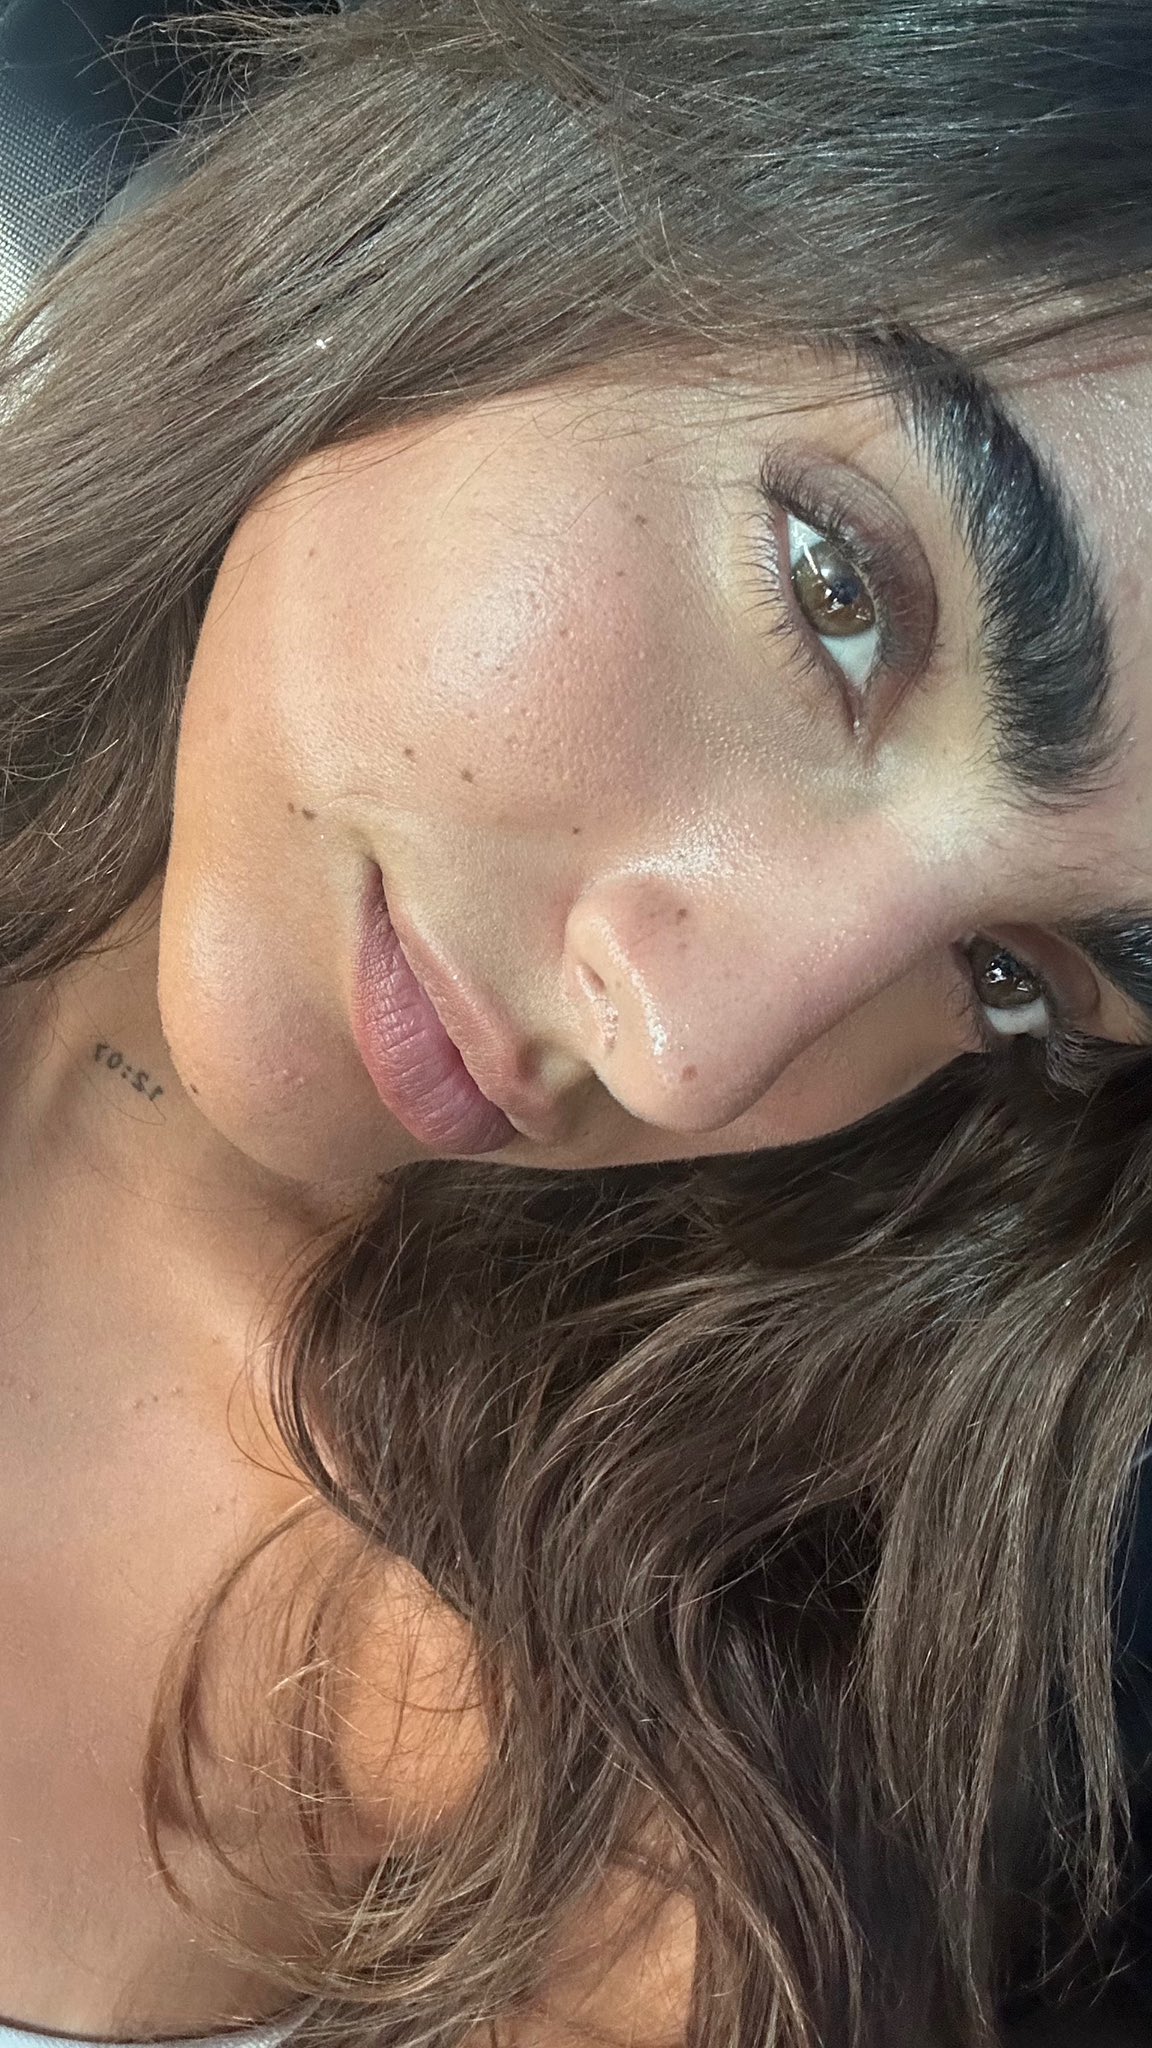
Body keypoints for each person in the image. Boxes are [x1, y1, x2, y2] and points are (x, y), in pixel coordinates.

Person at [3, 0, 1152, 2041]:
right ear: (565, 181)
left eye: (1012, 978)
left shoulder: (634, 1799)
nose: (690, 1051)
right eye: (837, 595)